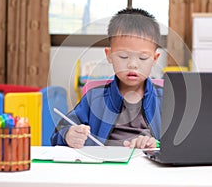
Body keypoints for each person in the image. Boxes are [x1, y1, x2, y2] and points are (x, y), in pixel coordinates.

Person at [51, 8, 163, 149]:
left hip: (147, 168)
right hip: (104, 167)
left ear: (154, 59)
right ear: (109, 55)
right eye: (123, 56)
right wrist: (68, 135)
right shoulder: (95, 98)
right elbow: (58, 134)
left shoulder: (166, 99)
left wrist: (156, 144)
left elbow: (178, 143)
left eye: (143, 58)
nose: (133, 64)